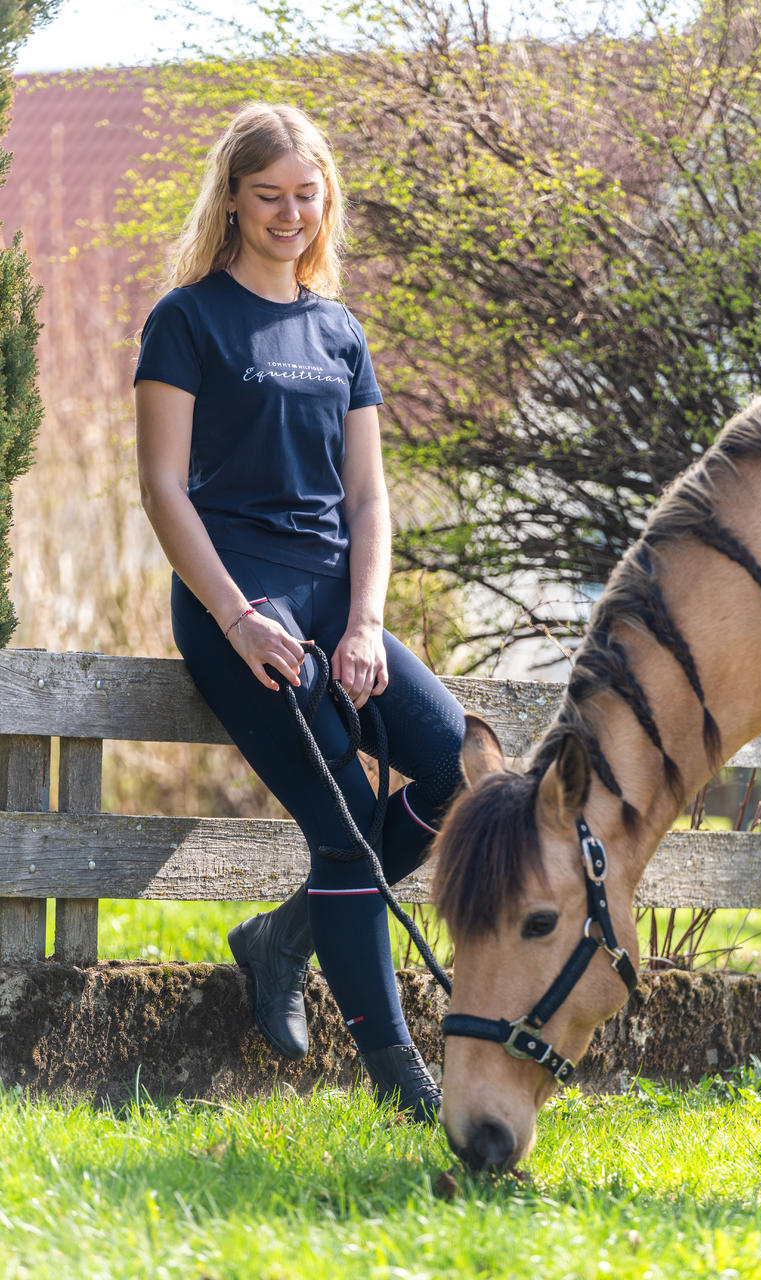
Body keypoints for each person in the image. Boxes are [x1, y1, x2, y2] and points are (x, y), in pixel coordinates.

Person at [134, 102, 465, 1122]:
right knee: (343, 837)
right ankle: (399, 1077)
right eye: (268, 195)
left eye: (305, 195)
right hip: (241, 599)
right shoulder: (185, 319)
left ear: (326, 202)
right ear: (231, 198)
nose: (288, 214)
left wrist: (364, 623)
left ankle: (284, 935)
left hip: (333, 594)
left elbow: (368, 498)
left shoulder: (339, 330)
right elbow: (161, 486)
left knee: (460, 762)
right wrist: (237, 617)